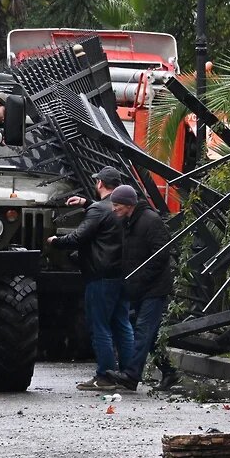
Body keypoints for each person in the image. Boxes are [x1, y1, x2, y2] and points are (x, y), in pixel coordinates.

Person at [47, 166, 133, 391]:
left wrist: (56, 241)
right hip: (121, 274)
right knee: (122, 324)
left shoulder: (98, 210)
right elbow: (104, 219)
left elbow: (79, 236)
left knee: (100, 326)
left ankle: (104, 375)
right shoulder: (123, 209)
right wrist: (86, 203)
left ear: (100, 184)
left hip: (100, 275)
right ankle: (128, 373)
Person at [105, 185, 182, 392]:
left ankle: (131, 376)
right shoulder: (129, 221)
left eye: (117, 205)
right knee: (151, 335)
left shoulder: (150, 221)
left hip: (153, 288)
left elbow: (161, 255)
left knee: (143, 330)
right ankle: (169, 372)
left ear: (129, 205)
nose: (114, 209)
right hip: (140, 287)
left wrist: (140, 278)